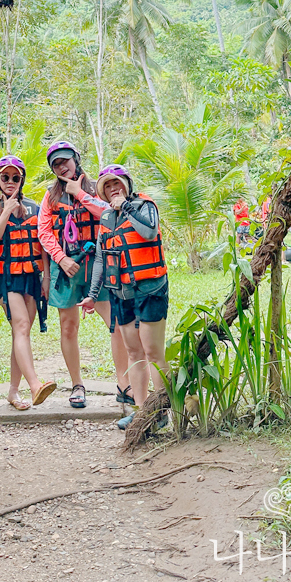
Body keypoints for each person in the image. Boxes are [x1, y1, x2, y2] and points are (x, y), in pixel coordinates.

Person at [37, 140, 131, 409]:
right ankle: (77, 385)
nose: (62, 166)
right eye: (56, 164)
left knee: (115, 323)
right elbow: (44, 231)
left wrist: (79, 193)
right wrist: (61, 258)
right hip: (66, 268)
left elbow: (108, 212)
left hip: (98, 265)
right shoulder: (50, 196)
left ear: (76, 159)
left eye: (65, 160)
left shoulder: (95, 189)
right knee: (68, 326)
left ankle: (124, 385)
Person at [82, 165, 169, 431]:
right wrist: (92, 295)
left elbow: (149, 232)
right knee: (134, 352)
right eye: (107, 186)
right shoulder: (106, 218)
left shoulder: (144, 206)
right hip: (121, 293)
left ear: (127, 184)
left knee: (153, 352)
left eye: (116, 183)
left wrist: (126, 208)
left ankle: (164, 409)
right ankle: (142, 413)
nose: (113, 189)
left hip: (150, 290)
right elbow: (100, 257)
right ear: (103, 192)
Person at [0, 155, 57, 411]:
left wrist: (46, 277)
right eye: (5, 177)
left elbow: (44, 244)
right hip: (6, 276)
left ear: (22, 179)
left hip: (32, 275)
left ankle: (13, 393)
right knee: (22, 326)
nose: (11, 181)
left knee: (21, 332)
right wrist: (7, 211)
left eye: (16, 177)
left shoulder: (35, 208)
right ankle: (35, 385)